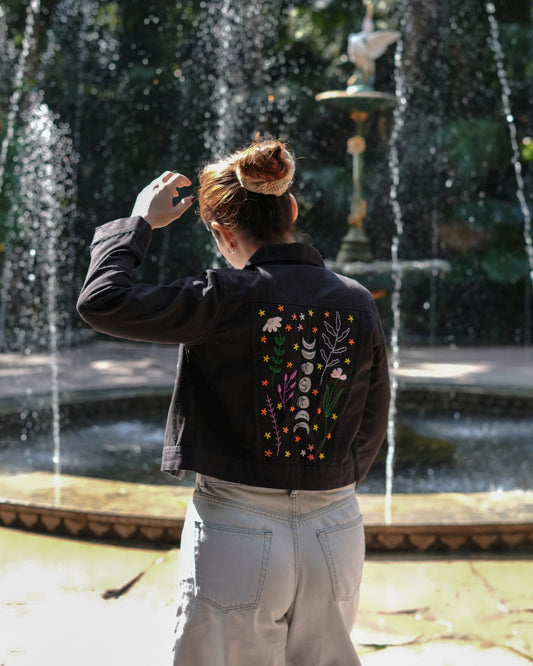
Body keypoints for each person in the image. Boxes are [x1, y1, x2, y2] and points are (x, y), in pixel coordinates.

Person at [77, 137, 390, 665]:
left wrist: (139, 223)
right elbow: (374, 413)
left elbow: (102, 301)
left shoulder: (221, 297)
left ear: (222, 234)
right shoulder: (356, 301)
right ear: (290, 208)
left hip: (236, 531)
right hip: (335, 531)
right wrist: (326, 483)